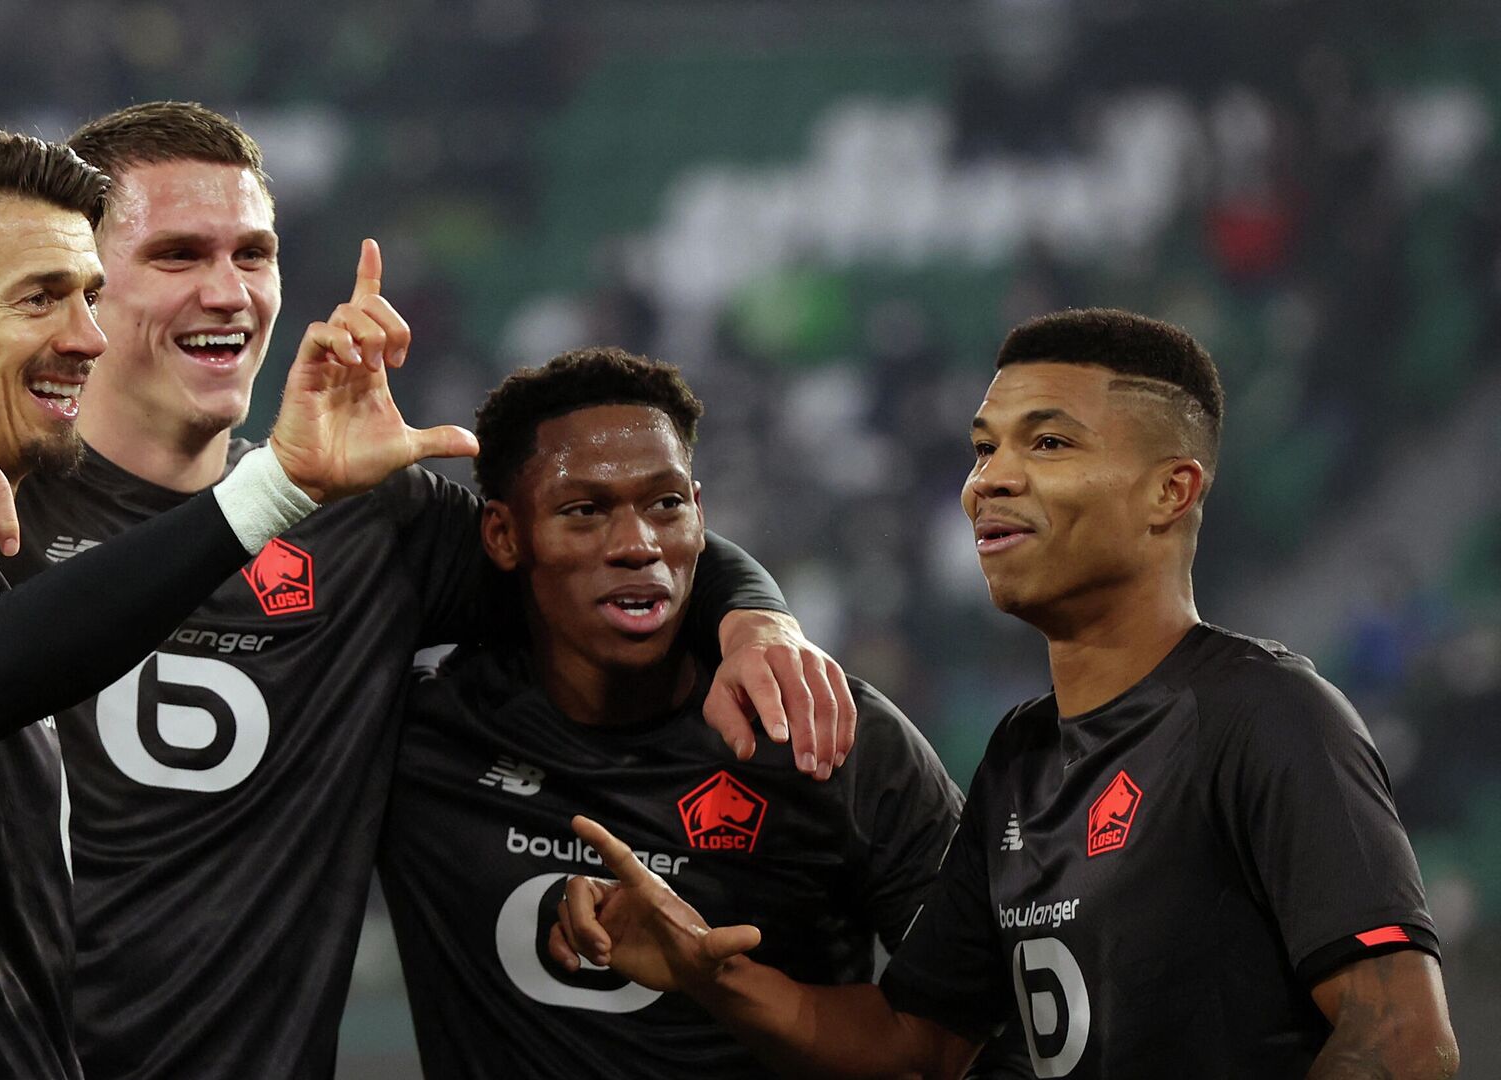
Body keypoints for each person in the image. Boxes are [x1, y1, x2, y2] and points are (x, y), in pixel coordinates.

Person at [0, 102, 850, 1079]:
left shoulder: (367, 521)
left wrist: (750, 608)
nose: (230, 290)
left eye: (254, 253)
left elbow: (603, 547)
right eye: (177, 255)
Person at [0, 125, 467, 1080]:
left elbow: (621, 566)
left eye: (254, 254)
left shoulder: (371, 525)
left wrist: (721, 611)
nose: (82, 334)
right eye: (46, 298)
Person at [552, 310, 1458, 1078]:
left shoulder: (1264, 715)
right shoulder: (1022, 756)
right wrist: (706, 970)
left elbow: (1401, 1037)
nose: (990, 479)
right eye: (984, 448)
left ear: (1170, 491)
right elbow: (922, 1039)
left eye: (1049, 442)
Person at [377, 348, 1029, 1078]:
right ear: (502, 534)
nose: (638, 545)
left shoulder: (822, 727)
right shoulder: (420, 724)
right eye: (585, 511)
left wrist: (713, 978)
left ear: (699, 514)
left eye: (665, 504)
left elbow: (956, 1038)